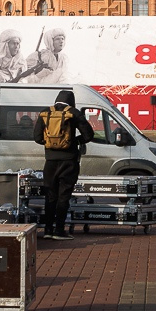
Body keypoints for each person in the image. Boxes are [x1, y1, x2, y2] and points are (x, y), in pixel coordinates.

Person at [37, 88, 94, 240]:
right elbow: (89, 135)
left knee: (50, 196)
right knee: (64, 196)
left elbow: (36, 137)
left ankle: (48, 230)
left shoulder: (45, 113)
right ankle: (59, 230)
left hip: (50, 162)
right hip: (69, 161)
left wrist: (50, 144)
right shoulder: (74, 113)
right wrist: (73, 142)